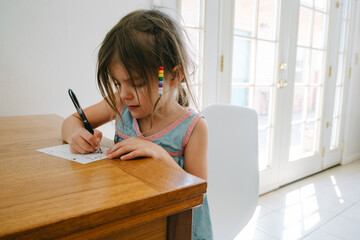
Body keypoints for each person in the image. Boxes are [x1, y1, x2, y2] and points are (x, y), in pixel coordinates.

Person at [61, 9, 213, 240]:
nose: (124, 94)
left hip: (175, 227)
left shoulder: (193, 129)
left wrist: (160, 156)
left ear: (173, 76)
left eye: (137, 83)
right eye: (117, 82)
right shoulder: (119, 103)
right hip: (130, 216)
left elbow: (198, 193)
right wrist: (75, 136)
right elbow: (71, 121)